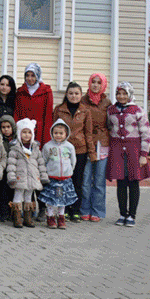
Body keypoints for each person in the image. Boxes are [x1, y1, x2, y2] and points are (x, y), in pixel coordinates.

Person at [106, 82, 150, 227]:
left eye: (124, 93)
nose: (121, 96)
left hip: (134, 150)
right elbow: (108, 127)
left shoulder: (138, 110)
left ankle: (132, 215)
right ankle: (122, 214)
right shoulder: (110, 110)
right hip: (117, 150)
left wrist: (143, 154)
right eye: (119, 93)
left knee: (133, 182)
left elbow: (146, 133)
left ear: (130, 94)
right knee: (121, 183)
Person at [53, 82, 94, 223]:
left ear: (81, 94)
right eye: (71, 93)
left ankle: (75, 210)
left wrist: (92, 152)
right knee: (62, 181)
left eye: (76, 93)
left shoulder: (85, 111)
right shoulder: (59, 110)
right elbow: (53, 130)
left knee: (77, 181)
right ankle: (61, 210)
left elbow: (88, 133)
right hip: (61, 150)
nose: (73, 96)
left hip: (79, 150)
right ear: (66, 94)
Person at [80, 73, 112, 221]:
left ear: (103, 85)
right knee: (85, 180)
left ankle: (97, 211)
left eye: (99, 83)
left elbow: (111, 124)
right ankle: (84, 209)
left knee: (99, 181)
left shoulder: (107, 103)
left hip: (102, 143)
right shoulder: (83, 100)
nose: (95, 85)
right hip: (86, 143)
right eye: (93, 82)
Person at [7, 119, 48, 229]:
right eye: (24, 132)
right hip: (19, 177)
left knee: (28, 197)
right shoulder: (15, 149)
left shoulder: (35, 149)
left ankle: (28, 218)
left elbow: (41, 164)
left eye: (29, 132)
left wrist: (43, 177)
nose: (27, 135)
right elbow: (11, 165)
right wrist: (11, 177)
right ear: (19, 133)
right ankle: (17, 218)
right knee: (18, 196)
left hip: (32, 177)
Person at [39, 120, 79, 229]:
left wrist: (69, 171)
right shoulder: (48, 146)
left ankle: (61, 217)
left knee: (62, 200)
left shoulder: (70, 146)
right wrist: (46, 173)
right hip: (52, 179)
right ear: (52, 133)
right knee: (51, 200)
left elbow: (73, 161)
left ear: (66, 134)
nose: (58, 135)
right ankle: (50, 217)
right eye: (55, 133)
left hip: (64, 179)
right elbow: (43, 160)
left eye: (61, 133)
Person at [14, 63, 54, 145]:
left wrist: (47, 138)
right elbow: (17, 113)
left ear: (38, 76)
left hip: (40, 130)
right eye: (27, 75)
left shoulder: (46, 92)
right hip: (24, 130)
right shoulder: (20, 92)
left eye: (33, 75)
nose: (29, 78)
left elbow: (48, 115)